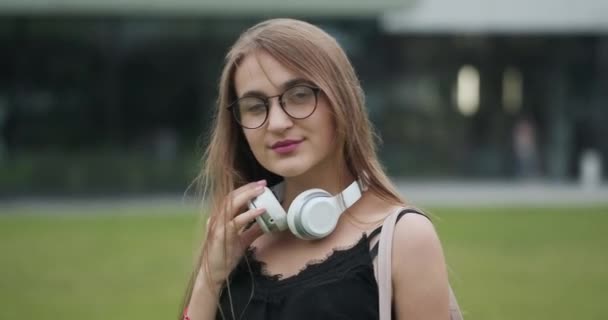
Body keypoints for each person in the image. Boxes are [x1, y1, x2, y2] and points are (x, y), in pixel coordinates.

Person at [180, 18, 450, 320]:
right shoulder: (234, 242)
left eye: (299, 96)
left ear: (341, 101)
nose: (278, 123)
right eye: (256, 106)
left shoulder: (404, 238)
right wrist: (210, 277)